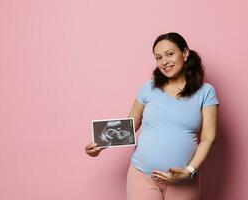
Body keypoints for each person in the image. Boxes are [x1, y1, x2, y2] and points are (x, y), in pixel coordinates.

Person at [85, 32, 219, 200]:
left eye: (170, 54)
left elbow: (208, 137)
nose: (164, 62)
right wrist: (101, 143)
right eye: (158, 57)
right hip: (142, 176)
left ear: (185, 54)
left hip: (182, 180)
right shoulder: (148, 88)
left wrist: (190, 171)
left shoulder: (206, 92)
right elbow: (131, 124)